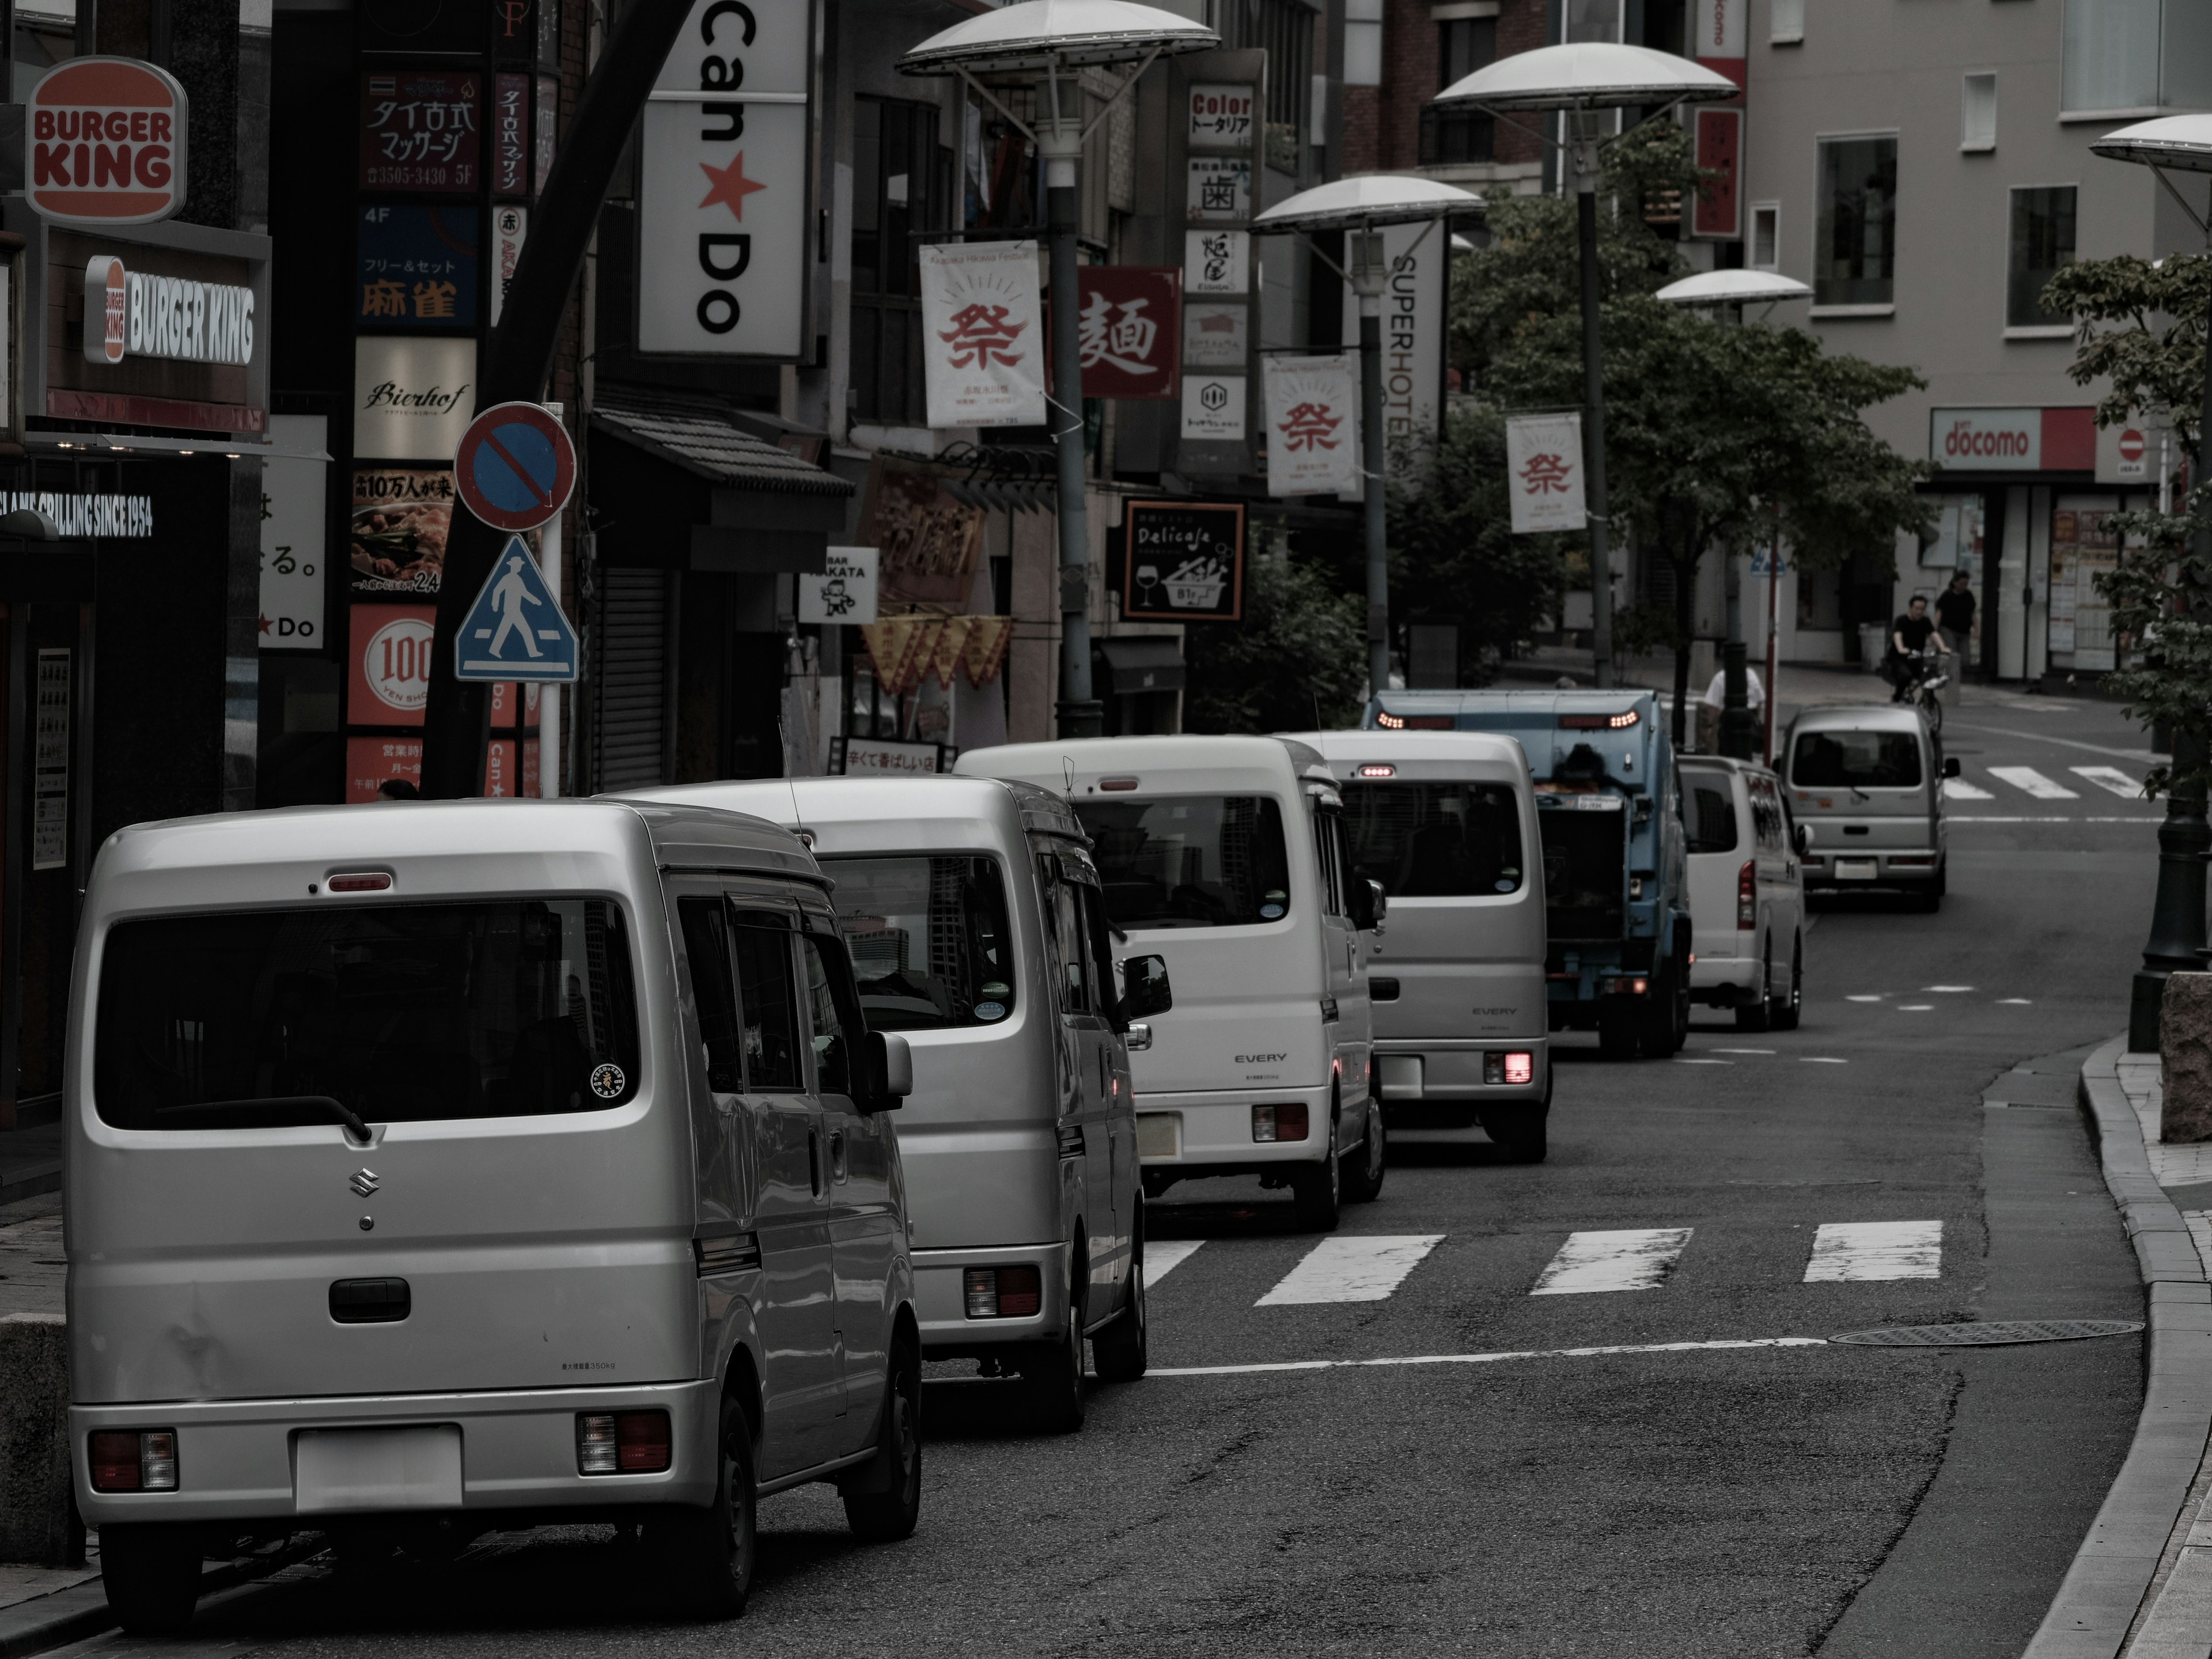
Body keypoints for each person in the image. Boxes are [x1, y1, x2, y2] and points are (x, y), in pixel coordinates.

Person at [1886, 594, 1950, 702]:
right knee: (1906, 676)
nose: (1920, 612)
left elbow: (1934, 634)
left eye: (1923, 609)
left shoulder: (1925, 621)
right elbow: (1897, 635)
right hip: (1899, 658)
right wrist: (1901, 649)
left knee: (1930, 676)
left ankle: (1928, 700)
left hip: (1917, 657)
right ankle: (1896, 697)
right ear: (1910, 608)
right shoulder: (1901, 620)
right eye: (1917, 608)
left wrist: (1943, 647)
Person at [1933, 572, 1975, 704]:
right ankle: (1948, 681)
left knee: (1965, 659)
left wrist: (1977, 629)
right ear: (1955, 583)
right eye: (1962, 584)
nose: (1964, 587)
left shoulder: (1968, 596)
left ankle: (1954, 679)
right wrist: (1934, 630)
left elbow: (1972, 614)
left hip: (1964, 631)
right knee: (1952, 654)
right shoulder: (1947, 596)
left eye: (1966, 584)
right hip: (1948, 629)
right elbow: (1939, 613)